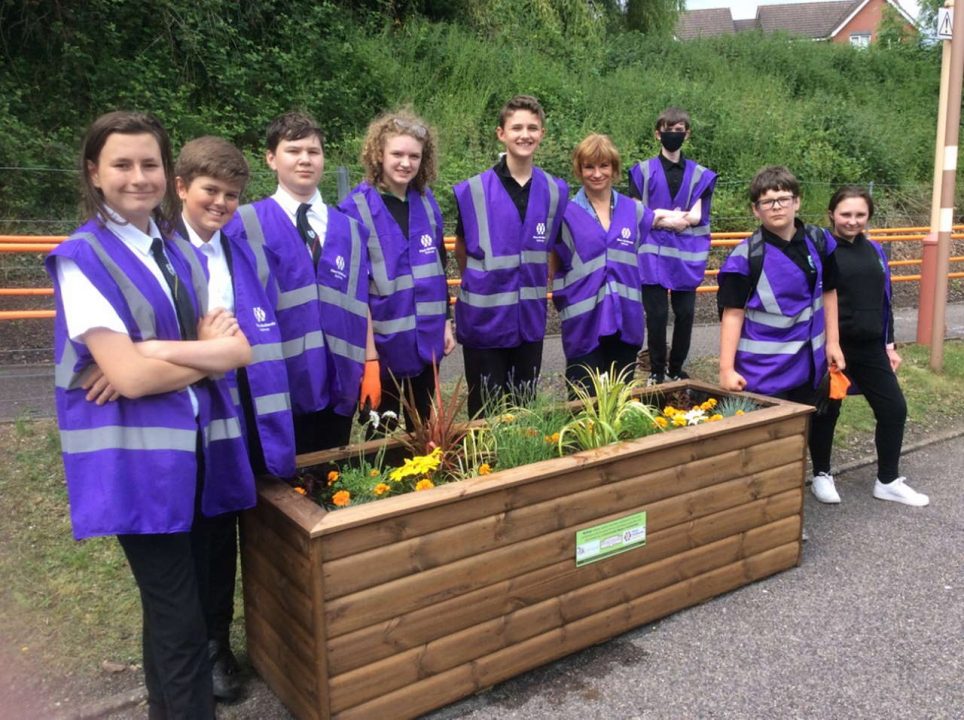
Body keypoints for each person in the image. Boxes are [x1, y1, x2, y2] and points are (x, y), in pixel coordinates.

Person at [45, 111, 256, 719]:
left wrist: (151, 352)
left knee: (171, 613)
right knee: (182, 624)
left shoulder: (175, 253)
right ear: (94, 172)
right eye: (122, 164)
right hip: (139, 466)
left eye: (149, 164)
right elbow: (134, 379)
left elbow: (238, 349)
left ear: (167, 171)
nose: (138, 177)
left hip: (192, 453)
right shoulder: (81, 259)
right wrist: (191, 359)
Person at [174, 136, 296, 700]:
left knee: (231, 526)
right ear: (182, 188)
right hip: (186, 412)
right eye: (210, 192)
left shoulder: (238, 251)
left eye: (230, 194)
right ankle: (201, 649)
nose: (221, 203)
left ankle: (229, 642)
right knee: (200, 536)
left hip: (242, 406)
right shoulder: (162, 253)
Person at [224, 111, 377, 454]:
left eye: (314, 151)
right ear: (271, 159)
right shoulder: (242, 226)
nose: (305, 159)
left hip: (339, 385)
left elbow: (359, 300)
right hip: (275, 387)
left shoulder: (351, 230)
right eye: (293, 150)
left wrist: (371, 362)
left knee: (330, 482)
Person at [717, 165, 845, 493]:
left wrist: (833, 343)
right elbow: (732, 314)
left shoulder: (820, 242)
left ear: (797, 202)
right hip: (764, 372)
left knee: (801, 435)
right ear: (754, 210)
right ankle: (768, 511)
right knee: (767, 444)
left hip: (810, 363)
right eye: (767, 201)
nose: (776, 206)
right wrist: (726, 369)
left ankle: (797, 501)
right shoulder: (745, 258)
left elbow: (829, 292)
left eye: (783, 198)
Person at [810, 186, 928, 506]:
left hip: (871, 346)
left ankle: (887, 480)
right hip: (833, 347)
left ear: (868, 216)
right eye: (846, 214)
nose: (852, 221)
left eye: (860, 215)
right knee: (827, 411)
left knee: (894, 409)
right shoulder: (821, 247)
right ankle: (821, 474)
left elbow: (885, 301)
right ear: (832, 213)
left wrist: (889, 344)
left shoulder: (876, 250)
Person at [338, 110, 455, 430]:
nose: (406, 163)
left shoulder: (427, 202)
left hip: (427, 341)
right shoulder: (355, 208)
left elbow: (438, 268)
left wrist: (446, 321)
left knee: (425, 432)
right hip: (383, 345)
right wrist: (369, 356)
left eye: (414, 156)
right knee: (382, 437)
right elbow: (354, 290)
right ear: (379, 154)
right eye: (397, 154)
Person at [453, 94, 568, 417]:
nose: (525, 134)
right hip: (483, 323)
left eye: (532, 127)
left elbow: (552, 250)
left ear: (542, 134)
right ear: (501, 133)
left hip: (528, 321)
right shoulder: (472, 190)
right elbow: (462, 250)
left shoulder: (556, 190)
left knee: (523, 414)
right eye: (516, 127)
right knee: (484, 415)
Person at [551, 133, 655, 396]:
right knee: (583, 405)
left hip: (625, 322)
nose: (597, 174)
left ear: (615, 168)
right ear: (579, 169)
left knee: (621, 402)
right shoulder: (562, 214)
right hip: (584, 324)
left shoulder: (635, 212)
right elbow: (551, 265)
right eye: (589, 166)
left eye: (604, 166)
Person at [628, 107, 717, 385]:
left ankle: (676, 368)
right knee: (655, 315)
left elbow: (697, 216)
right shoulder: (641, 171)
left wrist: (660, 216)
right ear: (658, 133)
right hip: (650, 255)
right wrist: (675, 220)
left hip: (685, 258)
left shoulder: (701, 175)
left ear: (686, 134)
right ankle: (656, 370)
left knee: (686, 313)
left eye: (679, 131)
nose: (673, 135)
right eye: (668, 129)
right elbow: (637, 212)